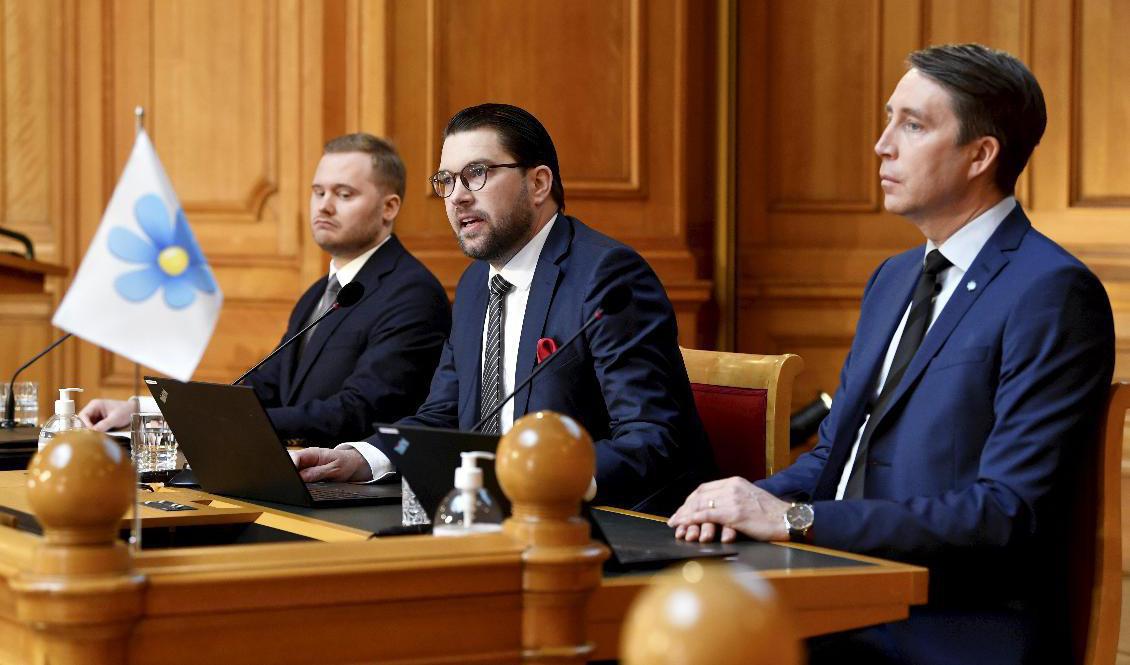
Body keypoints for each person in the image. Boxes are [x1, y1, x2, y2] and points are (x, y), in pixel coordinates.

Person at [668, 44, 1114, 664]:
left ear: (981, 155)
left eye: (913, 125)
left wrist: (795, 520)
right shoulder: (893, 278)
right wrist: (739, 502)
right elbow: (835, 457)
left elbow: (1004, 511)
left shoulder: (1051, 291)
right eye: (889, 120)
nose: (882, 145)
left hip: (948, 624)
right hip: (840, 593)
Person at [294, 103, 712, 513]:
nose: (457, 197)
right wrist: (360, 458)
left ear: (539, 183)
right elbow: (442, 416)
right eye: (446, 180)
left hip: (604, 519)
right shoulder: (476, 284)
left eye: (476, 173)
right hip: (491, 515)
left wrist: (531, 480)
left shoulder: (606, 276)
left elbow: (650, 437)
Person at [80, 133, 451, 446]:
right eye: (318, 192)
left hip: (355, 489)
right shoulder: (318, 293)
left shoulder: (411, 295)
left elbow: (359, 411)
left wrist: (218, 423)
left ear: (389, 208)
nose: (324, 206)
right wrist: (146, 410)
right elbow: (261, 387)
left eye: (344, 194)